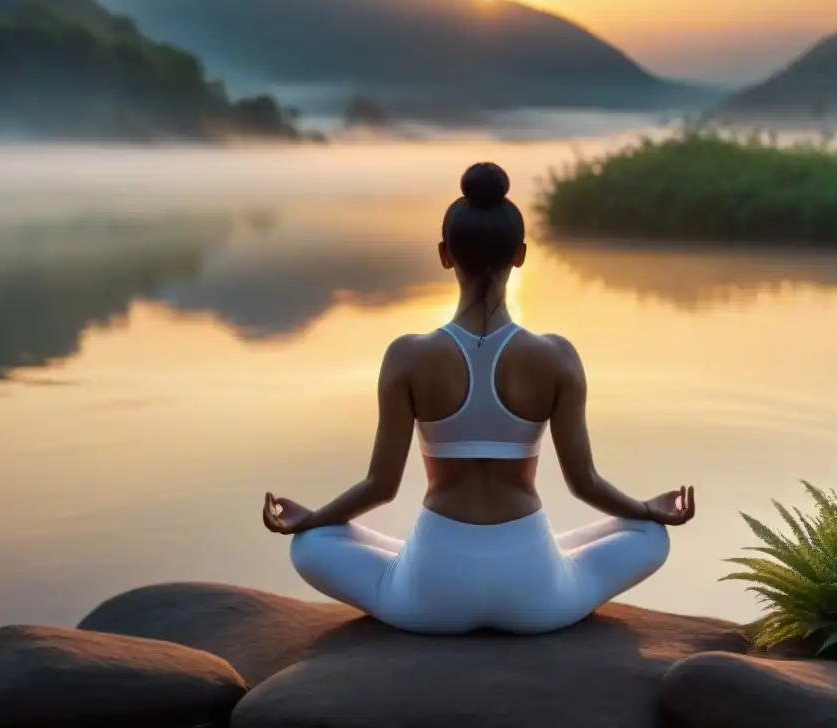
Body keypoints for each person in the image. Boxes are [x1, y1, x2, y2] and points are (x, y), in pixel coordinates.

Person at [262, 162, 696, 635]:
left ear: (445, 255)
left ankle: (404, 565)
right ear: (521, 255)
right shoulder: (557, 357)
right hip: (536, 596)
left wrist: (313, 519)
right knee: (649, 535)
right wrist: (648, 510)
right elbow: (585, 483)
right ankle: (556, 557)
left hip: (432, 595)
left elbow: (380, 486)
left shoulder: (408, 356)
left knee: (309, 544)